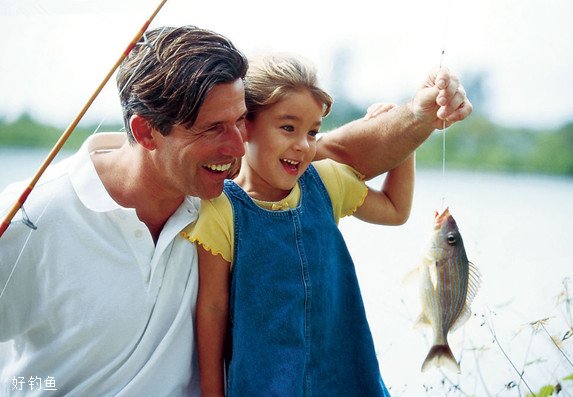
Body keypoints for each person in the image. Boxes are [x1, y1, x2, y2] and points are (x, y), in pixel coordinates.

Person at [0, 25, 471, 396]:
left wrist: (423, 110)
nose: (236, 146)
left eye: (241, 122)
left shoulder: (220, 187)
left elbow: (348, 151)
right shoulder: (34, 217)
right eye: (214, 129)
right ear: (146, 133)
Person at [184, 53, 417, 396]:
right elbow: (213, 309)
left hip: (347, 381)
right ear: (245, 125)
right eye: (288, 128)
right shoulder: (221, 209)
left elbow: (396, 210)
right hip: (265, 385)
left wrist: (405, 139)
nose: (303, 145)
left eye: (312, 132)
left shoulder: (327, 182)